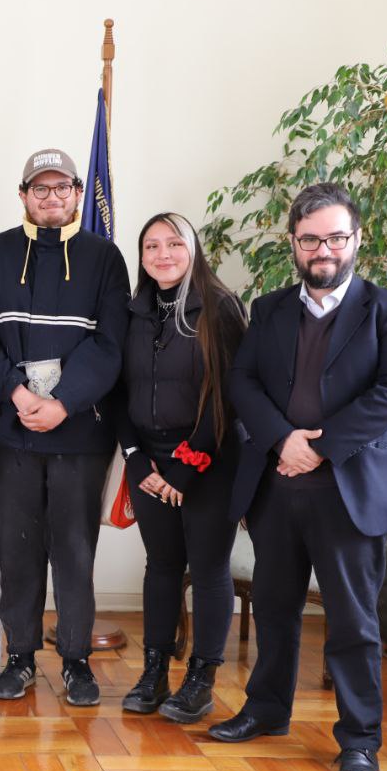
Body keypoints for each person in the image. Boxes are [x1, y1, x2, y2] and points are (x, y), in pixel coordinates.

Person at [209, 183, 387, 771]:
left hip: (349, 494)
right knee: (275, 610)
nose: (321, 250)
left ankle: (359, 740)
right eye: (309, 240)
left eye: (333, 237)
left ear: (356, 239)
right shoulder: (271, 308)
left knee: (352, 623)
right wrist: (285, 442)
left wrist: (320, 447)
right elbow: (244, 381)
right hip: (278, 487)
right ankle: (268, 710)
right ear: (293, 244)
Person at [0, 148, 130, 705]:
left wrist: (62, 403)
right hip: (8, 431)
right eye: (41, 188)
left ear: (80, 194)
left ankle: (77, 661)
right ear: (23, 195)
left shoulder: (106, 258)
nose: (52, 197)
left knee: (75, 551)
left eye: (63, 188)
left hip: (79, 433)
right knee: (19, 546)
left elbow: (110, 345)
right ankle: (20, 656)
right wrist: (14, 393)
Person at [113, 212, 246, 722]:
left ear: (193, 249)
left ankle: (201, 679)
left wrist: (186, 470)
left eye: (173, 243)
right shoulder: (132, 311)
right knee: (162, 566)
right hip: (147, 464)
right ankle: (153, 673)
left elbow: (229, 398)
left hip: (208, 462)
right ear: (142, 256)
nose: (162, 254)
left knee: (209, 568)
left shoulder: (220, 307)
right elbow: (117, 392)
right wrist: (136, 458)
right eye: (151, 246)